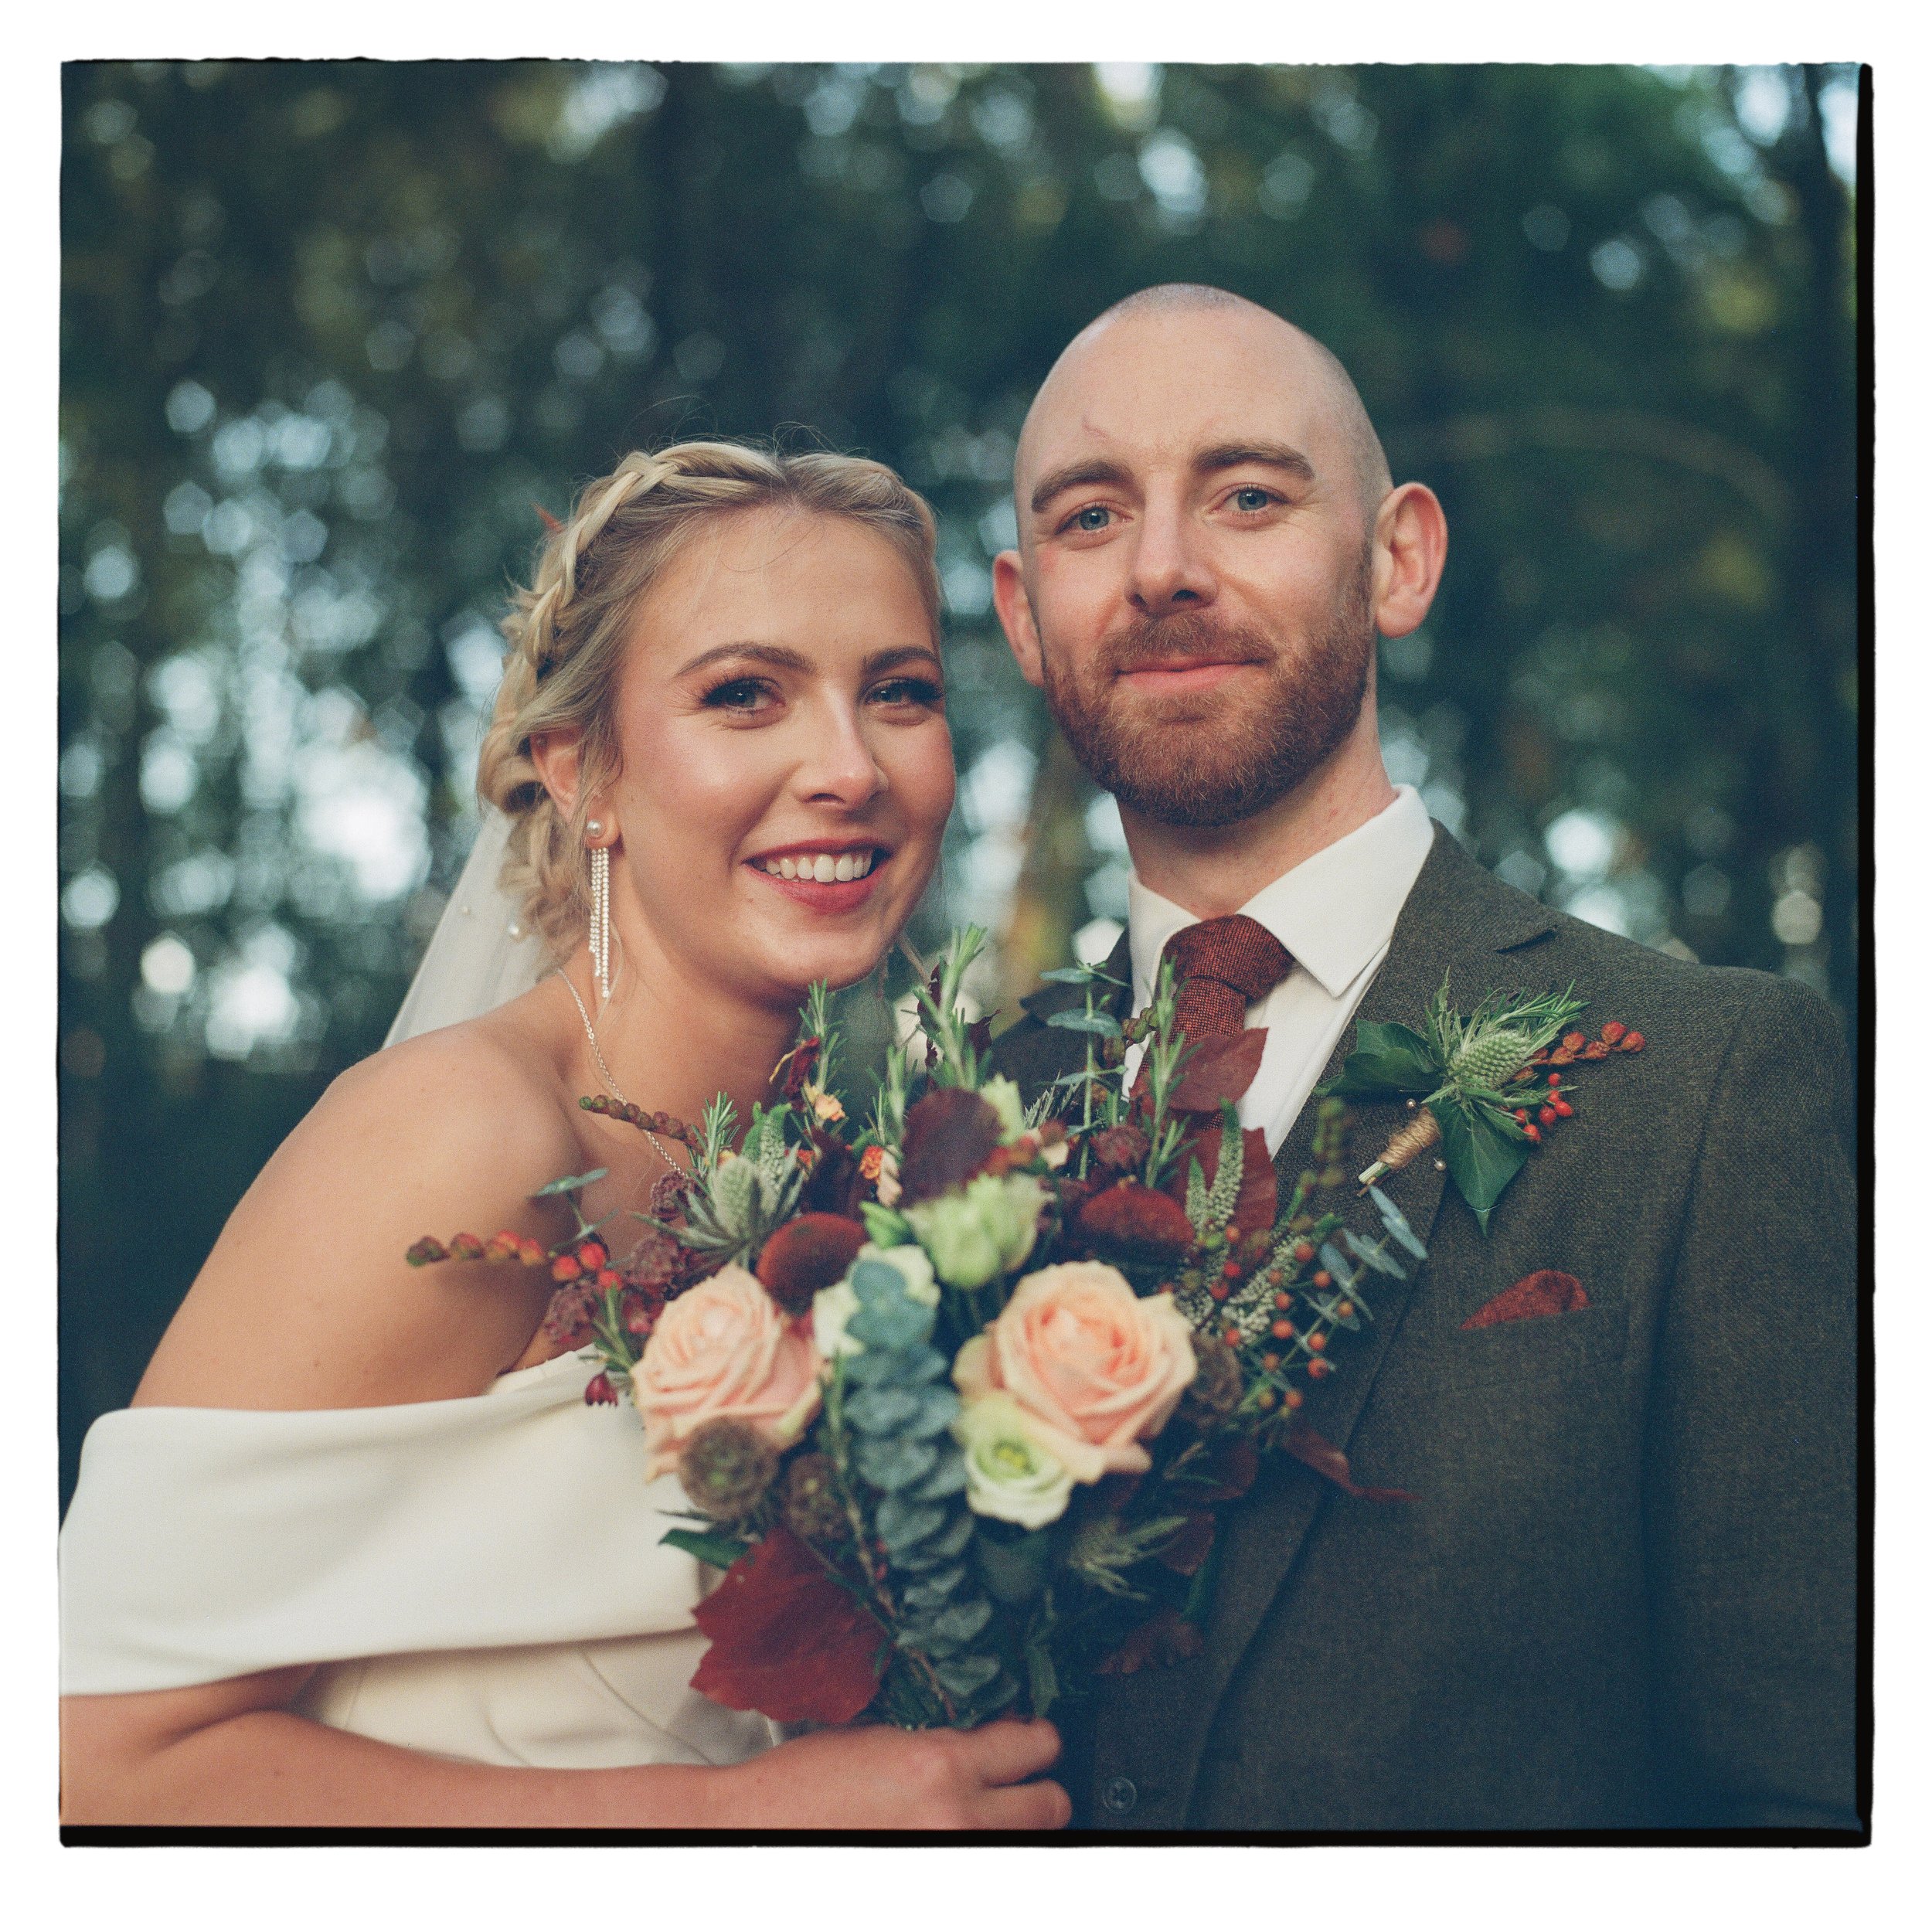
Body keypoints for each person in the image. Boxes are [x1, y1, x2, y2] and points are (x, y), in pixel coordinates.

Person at [60, 441, 1070, 1832]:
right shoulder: (465, 1139)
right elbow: (91, 1761)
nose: (848, 765)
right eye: (744, 694)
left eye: (898, 693)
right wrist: (743, 1825)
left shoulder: (852, 1189)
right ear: (583, 772)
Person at [987, 286, 1860, 1833]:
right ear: (1015, 614)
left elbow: (1794, 1796)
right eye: (1087, 516)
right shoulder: (948, 1122)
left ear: (1397, 558)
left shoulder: (1708, 1087)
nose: (1164, 567)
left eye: (1246, 495)